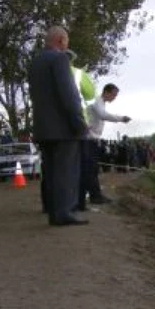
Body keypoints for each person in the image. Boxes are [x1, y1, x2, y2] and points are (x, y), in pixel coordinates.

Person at [28, 26, 88, 226]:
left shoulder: (35, 62)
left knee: (51, 171)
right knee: (65, 172)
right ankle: (63, 213)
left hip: (43, 128)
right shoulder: (60, 59)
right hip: (63, 129)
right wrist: (79, 123)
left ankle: (53, 210)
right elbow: (69, 95)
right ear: (61, 40)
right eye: (67, 41)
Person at [80, 83, 130, 207]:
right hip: (88, 139)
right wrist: (121, 118)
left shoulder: (101, 103)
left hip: (93, 139)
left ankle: (94, 195)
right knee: (89, 170)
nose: (114, 97)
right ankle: (92, 196)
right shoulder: (97, 101)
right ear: (106, 92)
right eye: (114, 94)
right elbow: (103, 115)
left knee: (93, 169)